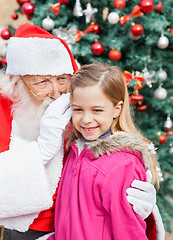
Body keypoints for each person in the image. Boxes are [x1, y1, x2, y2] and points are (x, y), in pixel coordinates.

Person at [0, 24, 158, 240]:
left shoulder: (81, 117)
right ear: (18, 82)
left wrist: (144, 207)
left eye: (62, 79)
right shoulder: (5, 112)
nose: (56, 94)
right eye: (43, 82)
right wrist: (41, 151)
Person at [47, 62, 165, 240]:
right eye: (78, 109)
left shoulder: (121, 165)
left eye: (97, 110)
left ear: (116, 109)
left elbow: (128, 230)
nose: (86, 119)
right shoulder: (75, 151)